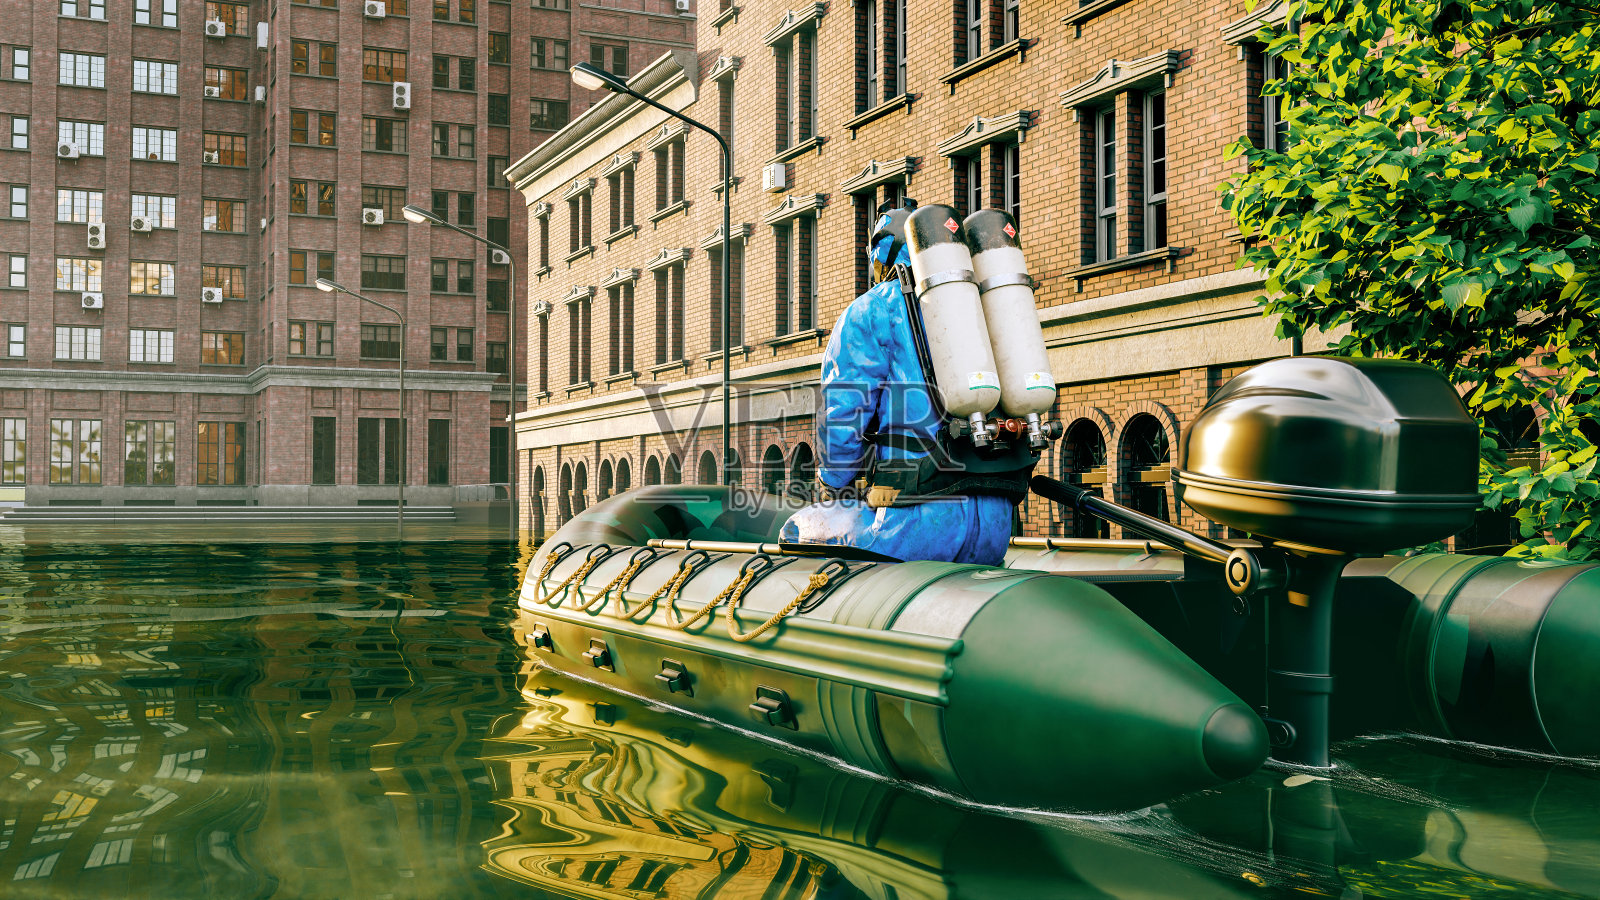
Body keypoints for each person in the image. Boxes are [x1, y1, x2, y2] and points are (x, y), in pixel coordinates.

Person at [779, 200, 1025, 566]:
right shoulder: (983, 299)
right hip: (994, 522)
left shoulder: (872, 309)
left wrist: (835, 485)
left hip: (916, 516)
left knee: (799, 532)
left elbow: (842, 416)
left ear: (882, 255)